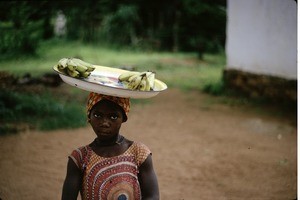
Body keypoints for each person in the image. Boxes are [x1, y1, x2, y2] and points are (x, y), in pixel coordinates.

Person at [62, 92, 159, 200]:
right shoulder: (80, 157)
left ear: (123, 118)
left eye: (113, 116)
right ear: (89, 116)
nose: (104, 123)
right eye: (97, 115)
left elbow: (152, 196)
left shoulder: (139, 152)